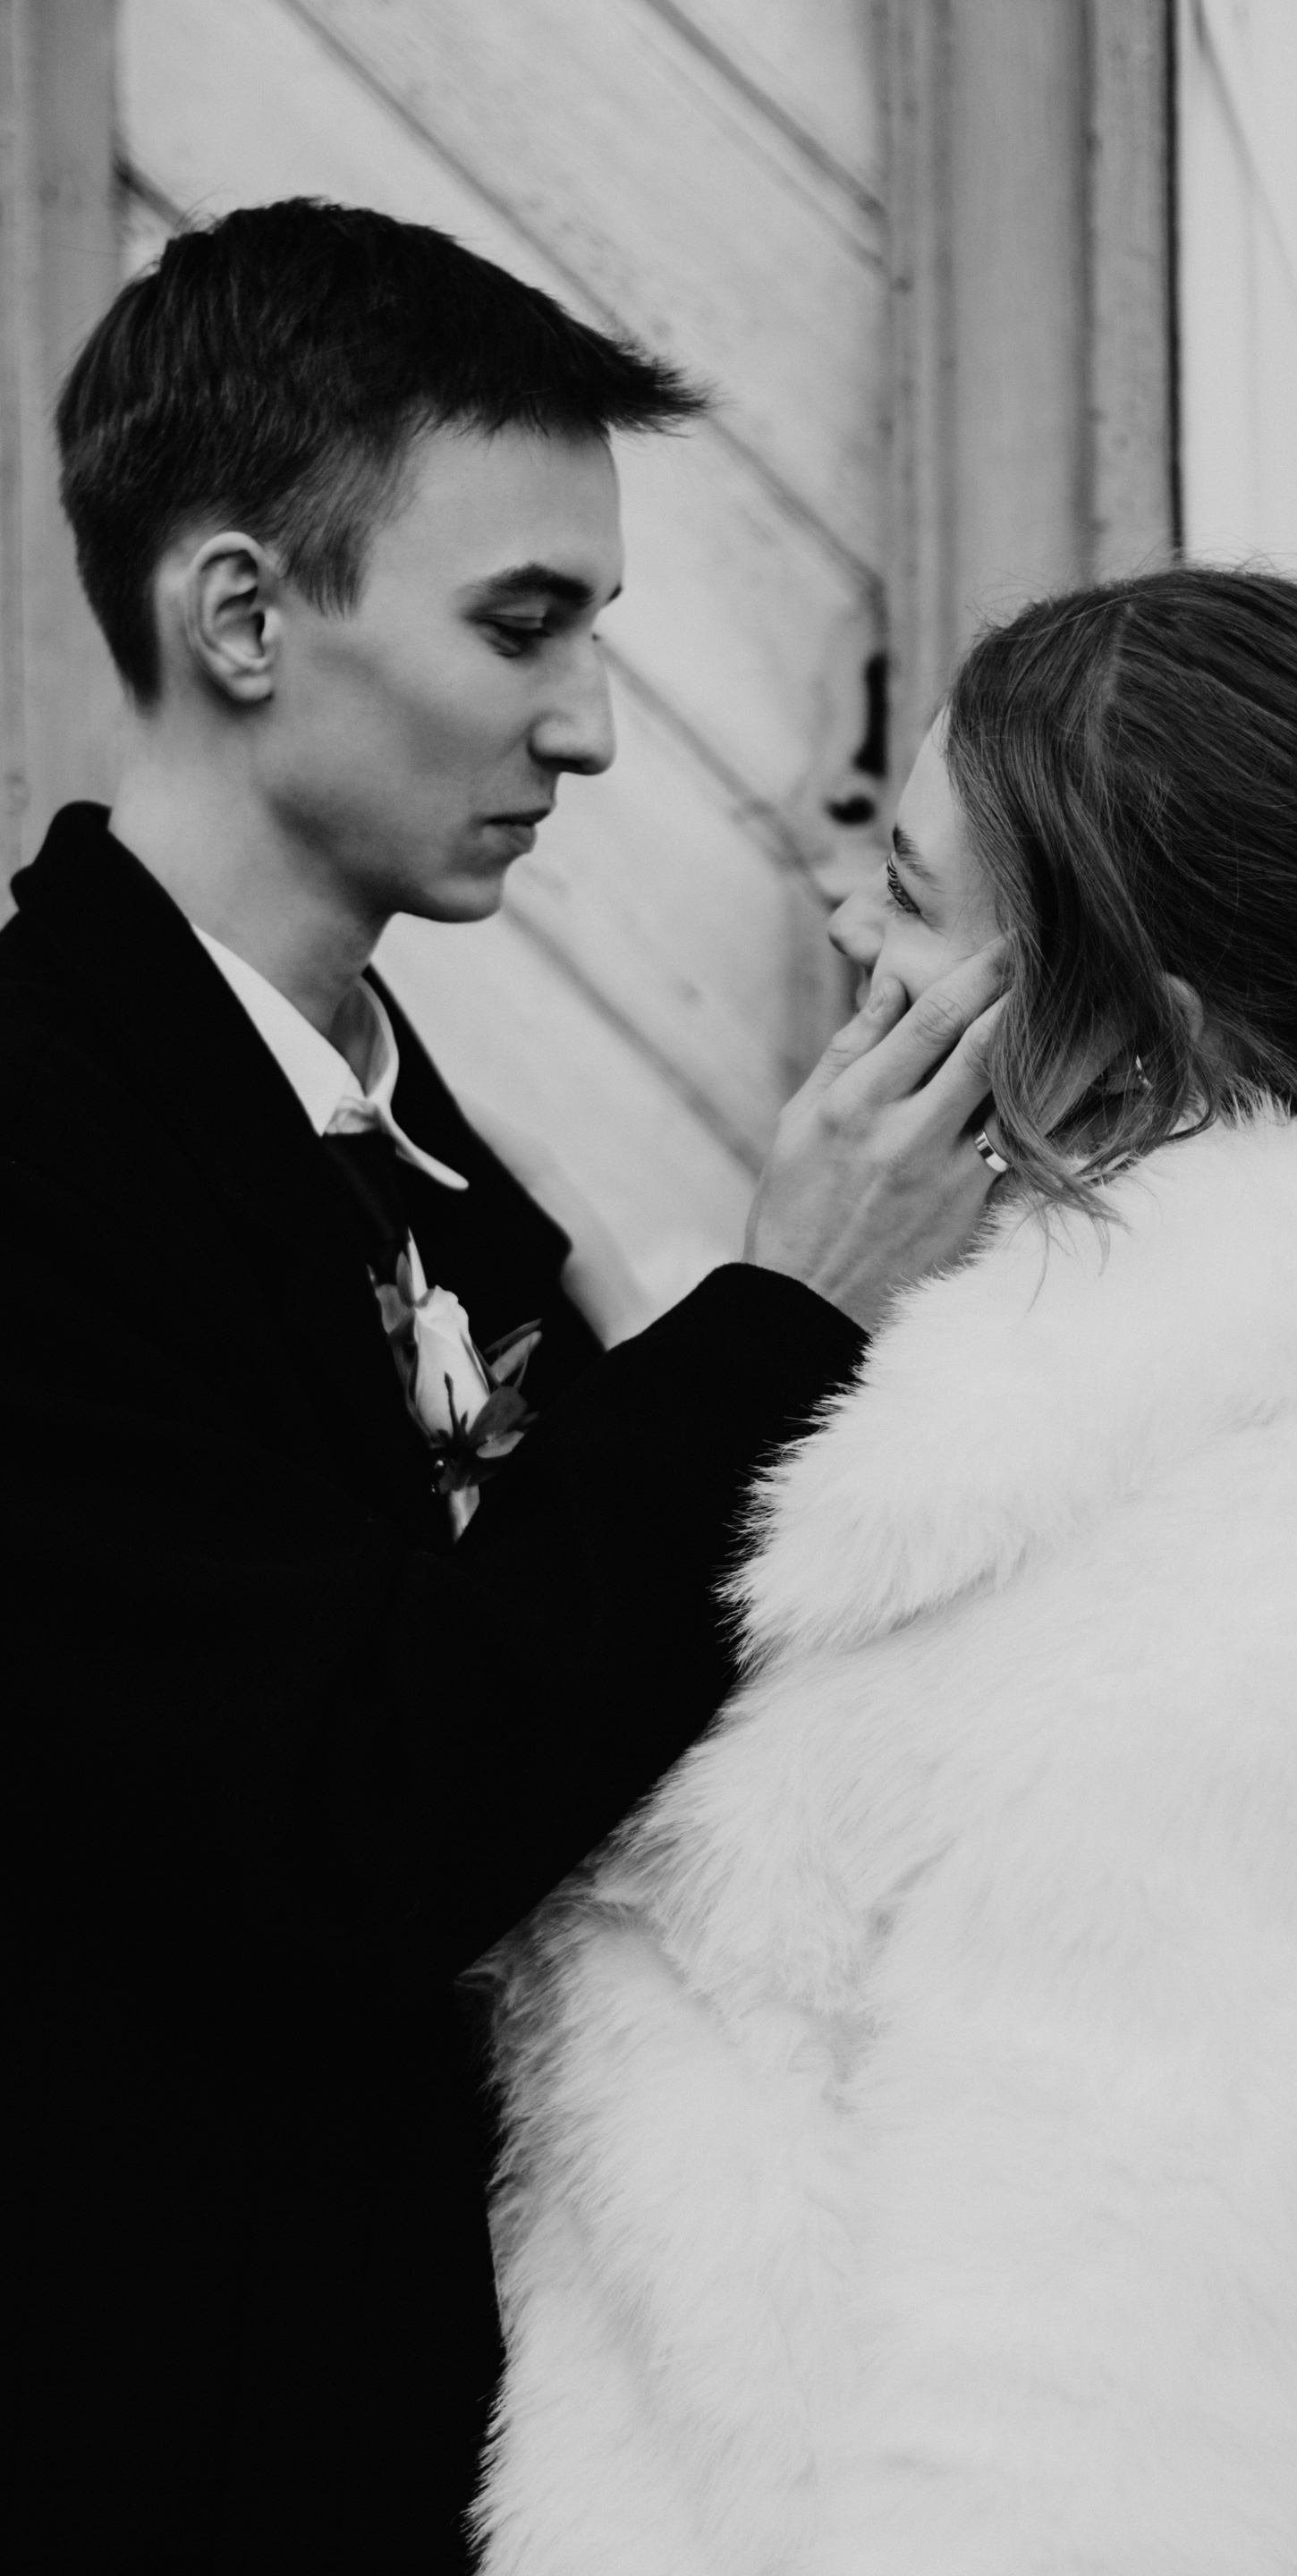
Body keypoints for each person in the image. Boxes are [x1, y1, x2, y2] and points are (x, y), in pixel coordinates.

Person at [479, 568, 1297, 2576]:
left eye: (915, 897)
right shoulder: (1091, 1480)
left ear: (1145, 1036)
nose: (846, 921)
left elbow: (1085, 2482)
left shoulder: (1261, 1630)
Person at [0, 200, 1004, 2574]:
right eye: (522, 623)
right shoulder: (37, 1139)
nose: (591, 726)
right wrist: (781, 1323)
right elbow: (346, 1824)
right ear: (244, 616)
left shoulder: (421, 1145)